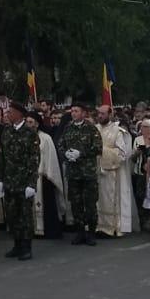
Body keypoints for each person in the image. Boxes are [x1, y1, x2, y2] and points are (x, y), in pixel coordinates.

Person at [0, 105, 39, 261]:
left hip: (23, 181)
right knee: (12, 214)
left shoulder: (29, 134)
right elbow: (2, 157)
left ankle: (26, 247)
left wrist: (32, 184)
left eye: (11, 112)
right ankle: (16, 244)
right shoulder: (6, 131)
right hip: (9, 180)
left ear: (19, 114)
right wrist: (0, 179)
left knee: (25, 216)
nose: (8, 115)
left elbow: (34, 160)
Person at [61, 102, 102, 245]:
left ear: (84, 113)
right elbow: (61, 145)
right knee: (76, 204)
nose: (73, 113)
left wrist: (81, 153)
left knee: (90, 204)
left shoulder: (91, 129)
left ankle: (91, 232)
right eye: (72, 111)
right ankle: (80, 232)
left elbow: (98, 147)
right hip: (73, 173)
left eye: (76, 111)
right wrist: (66, 153)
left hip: (88, 173)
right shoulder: (68, 128)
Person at [97, 105, 135, 237]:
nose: (100, 116)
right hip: (96, 170)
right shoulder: (95, 129)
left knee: (110, 199)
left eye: (103, 113)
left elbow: (122, 153)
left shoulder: (117, 131)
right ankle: (98, 226)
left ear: (110, 114)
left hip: (111, 172)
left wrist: (103, 151)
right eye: (99, 113)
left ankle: (112, 227)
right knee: (98, 200)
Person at [29, 110, 67, 240]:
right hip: (28, 176)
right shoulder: (24, 136)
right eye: (27, 122)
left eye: (31, 122)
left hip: (43, 176)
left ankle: (47, 230)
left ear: (37, 123)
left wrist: (47, 173)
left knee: (46, 204)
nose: (29, 125)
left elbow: (51, 158)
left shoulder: (45, 138)